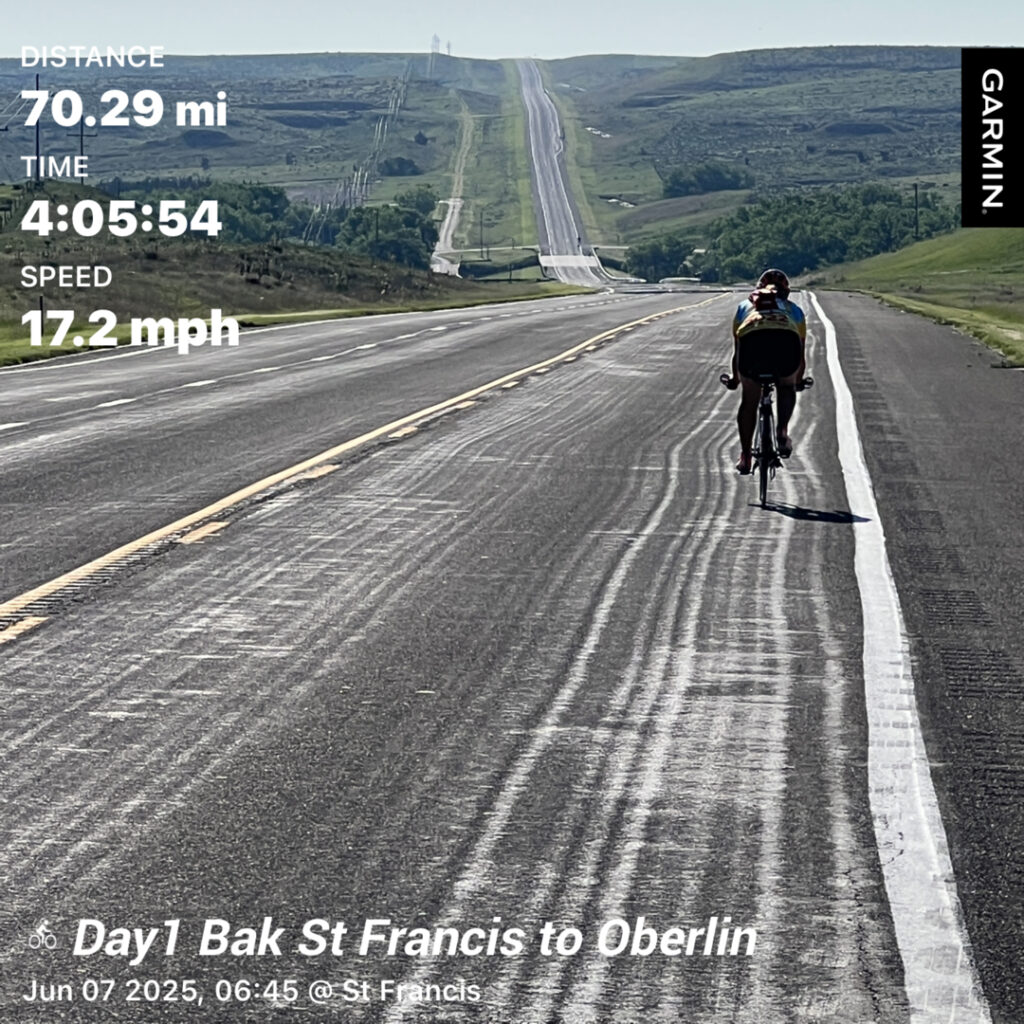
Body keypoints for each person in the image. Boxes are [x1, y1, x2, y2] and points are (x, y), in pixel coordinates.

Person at [723, 268, 807, 474]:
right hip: (785, 341)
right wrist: (797, 381)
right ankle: (781, 431)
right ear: (785, 292)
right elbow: (801, 354)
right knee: (786, 386)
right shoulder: (794, 311)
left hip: (753, 344)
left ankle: (745, 456)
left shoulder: (745, 306)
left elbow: (738, 349)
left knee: (749, 401)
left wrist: (735, 379)